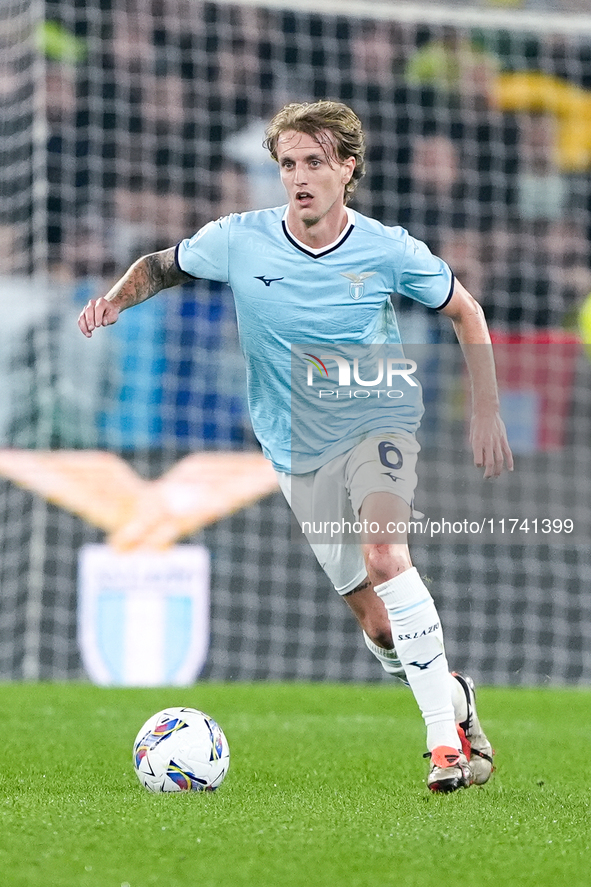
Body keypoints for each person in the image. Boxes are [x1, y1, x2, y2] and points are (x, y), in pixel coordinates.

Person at [78, 100, 513, 793]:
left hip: (377, 415)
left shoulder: (387, 248)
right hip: (294, 446)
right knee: (376, 625)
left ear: (347, 167)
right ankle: (454, 697)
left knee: (384, 551)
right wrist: (113, 300)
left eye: (314, 162)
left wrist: (485, 411)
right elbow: (160, 265)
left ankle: (442, 743)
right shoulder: (239, 239)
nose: (299, 177)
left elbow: (466, 310)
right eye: (287, 164)